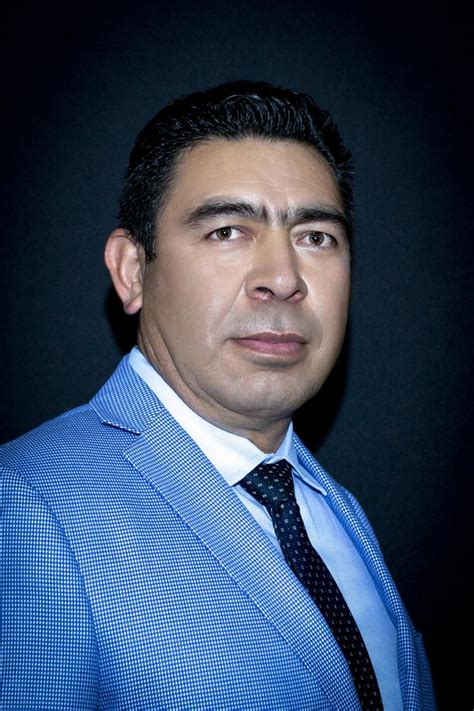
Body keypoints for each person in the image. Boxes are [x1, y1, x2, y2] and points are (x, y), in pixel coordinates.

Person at [1, 81, 435, 710]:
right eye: (228, 231)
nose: (283, 279)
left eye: (316, 237)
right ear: (132, 271)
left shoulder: (334, 507)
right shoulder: (24, 508)